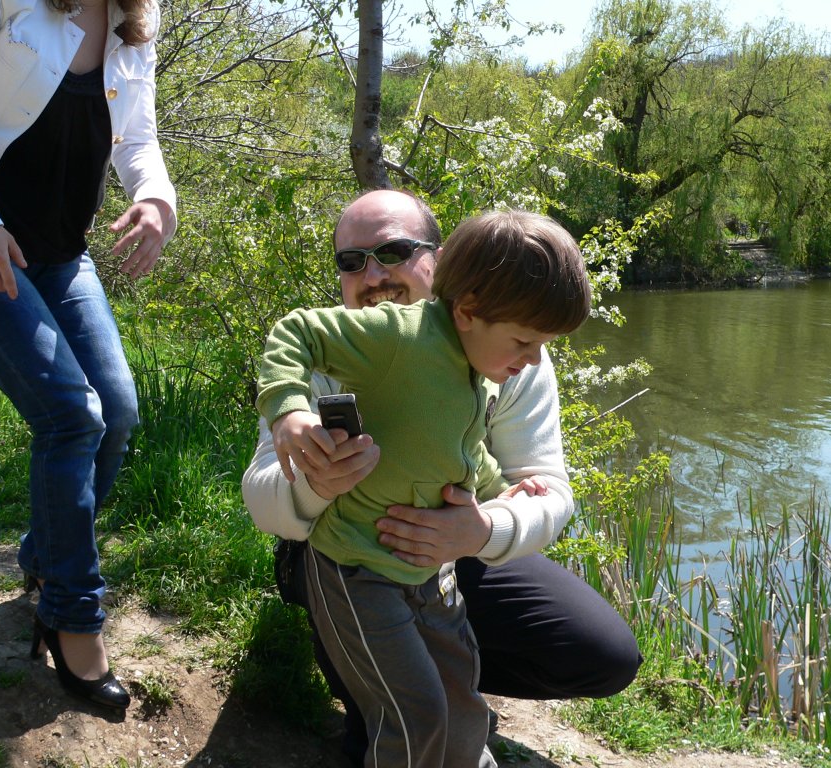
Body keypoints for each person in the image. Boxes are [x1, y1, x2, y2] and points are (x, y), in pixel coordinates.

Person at [243, 189, 643, 765]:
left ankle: (444, 709)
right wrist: (312, 475)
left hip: (445, 556)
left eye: (393, 252)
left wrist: (486, 523)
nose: (372, 275)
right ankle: (379, 685)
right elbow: (262, 498)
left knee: (589, 655)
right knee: (407, 717)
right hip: (343, 555)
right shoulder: (352, 340)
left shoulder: (508, 346)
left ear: (438, 258)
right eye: (351, 261)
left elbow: (532, 480)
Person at [0, 0, 177, 710]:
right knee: (70, 414)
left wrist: (156, 198)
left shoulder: (136, 19)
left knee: (115, 415)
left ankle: (46, 558)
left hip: (59, 253)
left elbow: (137, 137)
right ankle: (72, 620)